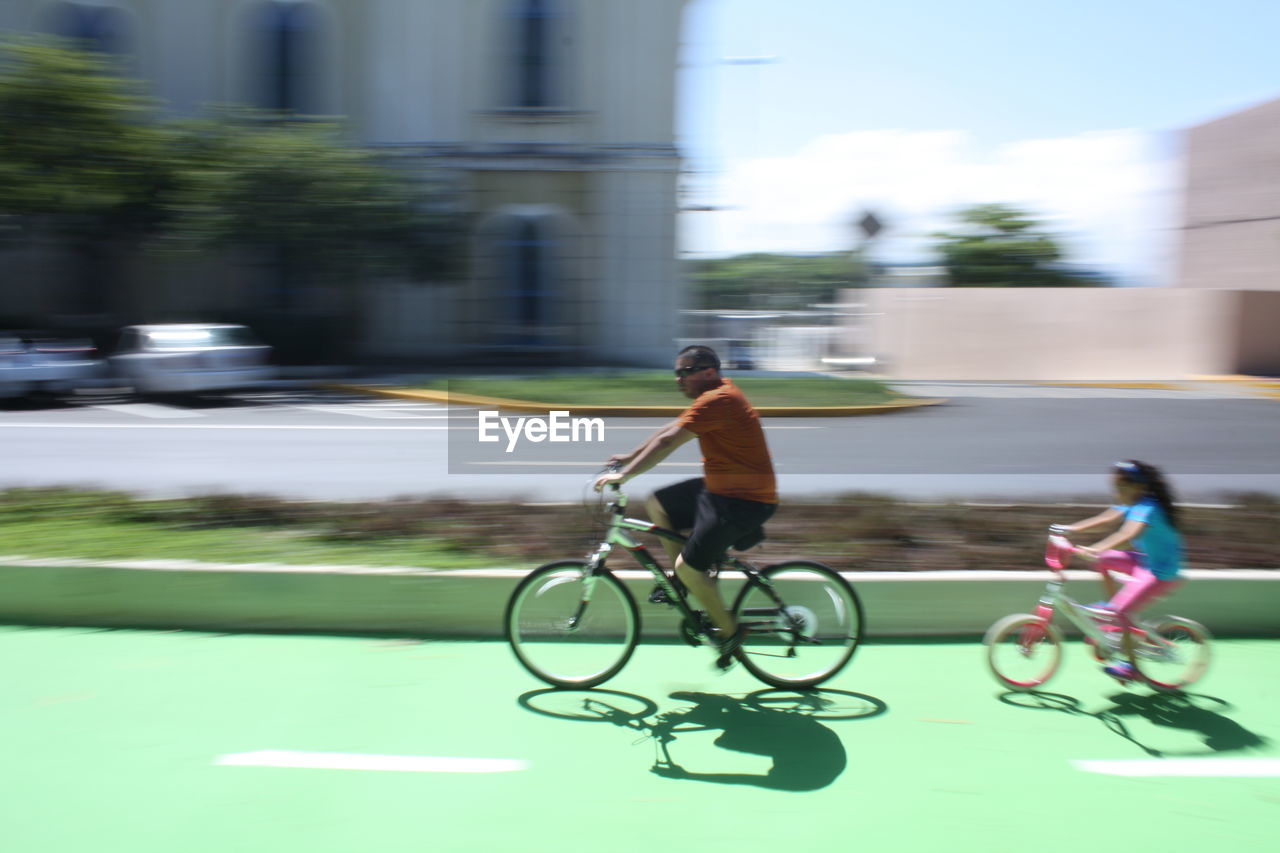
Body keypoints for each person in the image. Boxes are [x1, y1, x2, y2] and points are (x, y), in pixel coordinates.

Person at [593, 345, 777, 670]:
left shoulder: (719, 400)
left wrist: (626, 475)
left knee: (687, 567)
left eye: (685, 372)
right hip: (720, 490)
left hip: (745, 501)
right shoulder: (711, 398)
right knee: (656, 503)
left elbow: (668, 442)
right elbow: (671, 429)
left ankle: (730, 632)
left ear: (708, 372)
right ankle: (689, 578)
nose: (678, 379)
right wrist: (629, 456)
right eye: (676, 372)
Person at [1050, 460, 1185, 682]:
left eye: (1122, 488)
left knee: (1121, 611)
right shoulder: (1132, 501)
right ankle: (1113, 607)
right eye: (1116, 488)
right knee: (1103, 561)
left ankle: (1132, 669)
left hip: (1161, 572)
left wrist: (1095, 548)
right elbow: (1106, 518)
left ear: (1139, 487)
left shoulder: (1148, 508)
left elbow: (1127, 535)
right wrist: (1069, 529)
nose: (1117, 493)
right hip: (1144, 562)